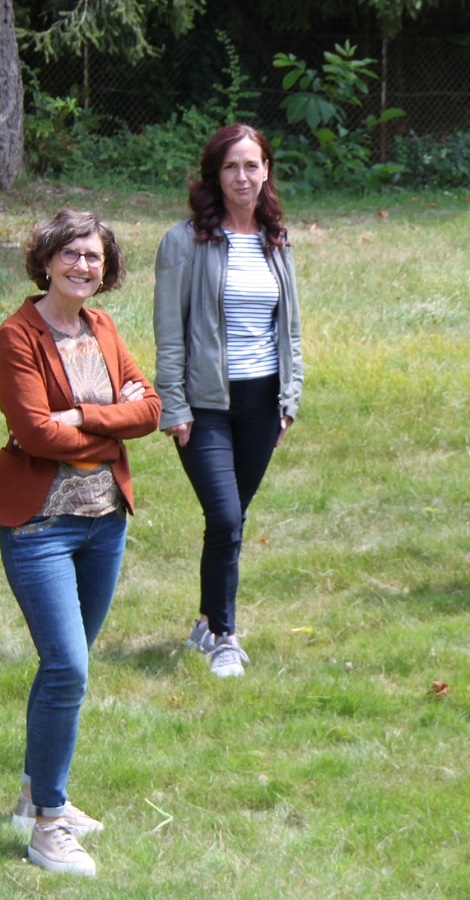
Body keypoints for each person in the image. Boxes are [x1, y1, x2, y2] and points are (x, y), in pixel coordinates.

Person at [0, 210, 161, 876]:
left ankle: (38, 794)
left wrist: (87, 419)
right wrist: (111, 427)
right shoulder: (16, 335)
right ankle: (47, 829)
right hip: (38, 527)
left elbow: (149, 408)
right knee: (67, 665)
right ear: (45, 260)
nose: (82, 266)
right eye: (70, 254)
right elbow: (36, 434)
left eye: (93, 257)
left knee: (67, 668)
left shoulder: (103, 327)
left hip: (104, 525)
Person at [154, 123, 303, 676]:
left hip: (264, 403)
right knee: (224, 515)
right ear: (215, 175)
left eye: (252, 165)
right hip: (205, 403)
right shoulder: (185, 241)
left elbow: (290, 329)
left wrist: (290, 396)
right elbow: (169, 333)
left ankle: (203, 621)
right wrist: (174, 404)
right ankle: (224, 636)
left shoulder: (276, 238)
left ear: (266, 172)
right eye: (231, 166)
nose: (242, 176)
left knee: (230, 520)